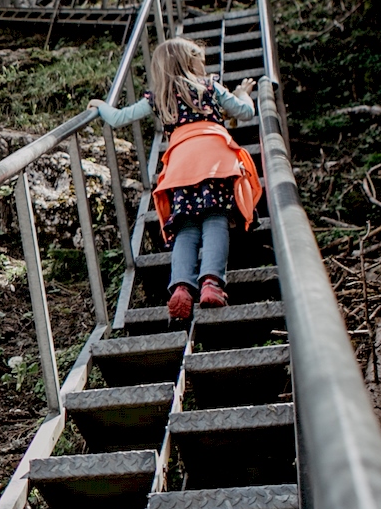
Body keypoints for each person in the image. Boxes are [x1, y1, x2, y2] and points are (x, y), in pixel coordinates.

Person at [90, 36, 261, 322]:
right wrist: (243, 93)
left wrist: (100, 106)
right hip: (215, 159)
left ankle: (181, 287)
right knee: (216, 219)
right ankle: (211, 284)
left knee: (185, 227)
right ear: (191, 62)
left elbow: (119, 118)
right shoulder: (210, 86)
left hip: (181, 165)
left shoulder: (158, 97)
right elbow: (245, 112)